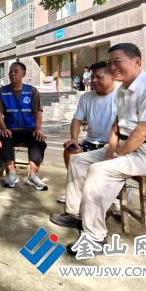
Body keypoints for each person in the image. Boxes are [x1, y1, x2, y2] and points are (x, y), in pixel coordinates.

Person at [50, 43, 146, 256]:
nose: (112, 67)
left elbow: (142, 132)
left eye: (117, 62)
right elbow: (116, 126)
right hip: (130, 148)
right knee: (78, 161)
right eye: (110, 63)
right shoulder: (123, 90)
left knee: (99, 170)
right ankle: (76, 214)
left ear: (137, 62)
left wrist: (115, 158)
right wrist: (109, 153)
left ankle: (95, 238)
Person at [57, 61, 117, 203]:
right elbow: (77, 119)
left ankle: (115, 198)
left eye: (99, 77)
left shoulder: (122, 96)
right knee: (70, 151)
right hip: (90, 143)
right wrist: (74, 139)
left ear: (112, 78)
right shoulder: (86, 97)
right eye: (92, 77)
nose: (94, 81)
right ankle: (76, 192)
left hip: (112, 145)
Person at [0, 61, 48, 190]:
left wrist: (38, 129)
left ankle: (33, 176)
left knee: (39, 140)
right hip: (11, 130)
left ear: (24, 74)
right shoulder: (3, 91)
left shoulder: (32, 91)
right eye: (11, 71)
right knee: (3, 139)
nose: (13, 74)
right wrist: (3, 128)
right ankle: (12, 173)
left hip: (29, 129)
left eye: (16, 71)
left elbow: (38, 111)